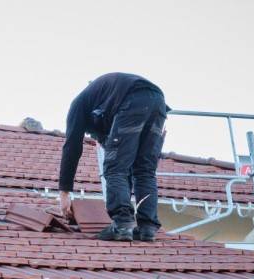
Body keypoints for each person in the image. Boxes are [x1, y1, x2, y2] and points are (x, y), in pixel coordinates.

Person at [58, 73, 170, 241]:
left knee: (114, 167)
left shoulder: (79, 105)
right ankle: (147, 228)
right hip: (157, 103)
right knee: (144, 170)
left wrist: (64, 192)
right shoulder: (106, 100)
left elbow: (71, 148)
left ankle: (122, 225)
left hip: (132, 99)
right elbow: (117, 146)